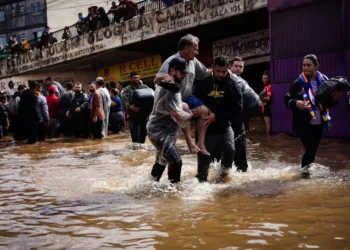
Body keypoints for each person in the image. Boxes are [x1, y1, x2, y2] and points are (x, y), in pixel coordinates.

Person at [284, 54, 344, 177]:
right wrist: (296, 103)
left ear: (316, 66)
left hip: (319, 122)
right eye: (304, 65)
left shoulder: (325, 81)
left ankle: (306, 172)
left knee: (312, 150)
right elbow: (286, 99)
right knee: (310, 149)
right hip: (303, 123)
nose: (305, 67)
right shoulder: (298, 83)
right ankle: (304, 176)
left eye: (309, 65)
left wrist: (335, 99)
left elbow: (328, 103)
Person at [154, 34, 212, 155]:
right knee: (184, 108)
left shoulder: (193, 61)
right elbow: (156, 80)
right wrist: (165, 77)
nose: (197, 52)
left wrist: (223, 71)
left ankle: (200, 144)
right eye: (195, 49)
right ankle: (190, 143)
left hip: (186, 97)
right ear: (186, 49)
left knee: (204, 111)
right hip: (171, 99)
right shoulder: (171, 61)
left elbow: (205, 73)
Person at [194, 57, 243, 182]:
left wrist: (217, 116)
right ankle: (202, 185)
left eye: (224, 72)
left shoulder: (233, 85)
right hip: (205, 130)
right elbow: (194, 102)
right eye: (218, 71)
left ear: (228, 70)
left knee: (230, 152)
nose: (221, 74)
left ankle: (222, 184)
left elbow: (238, 109)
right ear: (212, 68)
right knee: (204, 164)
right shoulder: (203, 83)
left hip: (224, 128)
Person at [148, 58, 193, 183]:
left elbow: (155, 78)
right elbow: (178, 115)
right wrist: (191, 114)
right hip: (160, 132)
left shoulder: (164, 82)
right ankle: (174, 193)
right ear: (172, 70)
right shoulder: (171, 88)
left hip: (160, 131)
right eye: (182, 73)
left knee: (162, 161)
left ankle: (149, 185)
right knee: (176, 161)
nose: (184, 76)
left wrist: (163, 76)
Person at [229, 57, 249, 172]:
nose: (238, 68)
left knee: (241, 147)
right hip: (226, 120)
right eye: (236, 66)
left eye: (240, 66)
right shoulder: (224, 80)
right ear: (230, 66)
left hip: (239, 121)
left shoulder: (244, 82)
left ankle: (242, 170)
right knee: (227, 148)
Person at [122, 72, 151, 144]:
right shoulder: (127, 89)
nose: (137, 79)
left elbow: (151, 96)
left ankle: (142, 153)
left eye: (138, 77)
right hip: (133, 116)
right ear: (131, 79)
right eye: (135, 78)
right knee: (135, 138)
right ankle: (136, 152)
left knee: (143, 136)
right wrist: (129, 106)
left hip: (144, 115)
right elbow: (124, 99)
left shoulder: (145, 87)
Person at [260, 70, 272, 135]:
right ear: (262, 79)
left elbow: (269, 98)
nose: (265, 80)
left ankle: (268, 139)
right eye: (264, 78)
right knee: (266, 124)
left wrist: (260, 98)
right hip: (264, 108)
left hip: (267, 108)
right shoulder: (265, 86)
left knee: (268, 124)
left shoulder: (269, 86)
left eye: (267, 78)